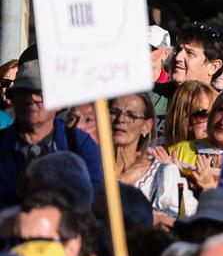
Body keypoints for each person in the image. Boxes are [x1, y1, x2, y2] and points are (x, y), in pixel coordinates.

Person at [0, 59, 104, 207]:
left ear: (59, 103)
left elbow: (94, 200)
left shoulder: (79, 144)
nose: (30, 99)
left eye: (40, 93)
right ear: (13, 99)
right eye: (23, 92)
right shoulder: (3, 142)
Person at [107, 93, 195, 226]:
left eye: (131, 115)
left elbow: (189, 223)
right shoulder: (89, 168)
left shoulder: (163, 175)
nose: (121, 119)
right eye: (114, 112)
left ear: (146, 126)